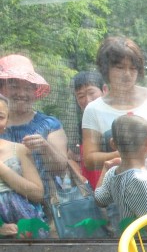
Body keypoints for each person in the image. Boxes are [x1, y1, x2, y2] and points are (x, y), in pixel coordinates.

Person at [82, 36, 147, 208]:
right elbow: (89, 159)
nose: (127, 74)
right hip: (120, 195)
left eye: (133, 68)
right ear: (106, 69)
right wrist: (128, 153)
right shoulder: (94, 109)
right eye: (120, 67)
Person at [0, 54, 70, 196]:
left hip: (44, 207)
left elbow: (61, 169)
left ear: (34, 92)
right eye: (14, 86)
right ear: (2, 89)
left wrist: (45, 147)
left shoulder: (49, 125)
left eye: (28, 88)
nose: (22, 93)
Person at [94, 114, 147, 228]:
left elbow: (100, 199)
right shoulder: (141, 181)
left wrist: (106, 167)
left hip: (131, 242)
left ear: (113, 143)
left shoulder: (113, 173)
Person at [0, 94, 48, 238]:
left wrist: (2, 169)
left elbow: (37, 194)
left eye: (0, 117)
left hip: (25, 230)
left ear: (6, 122)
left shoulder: (19, 149)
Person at [72, 70, 105, 189]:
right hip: (93, 191)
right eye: (80, 96)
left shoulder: (116, 120)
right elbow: (69, 156)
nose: (87, 100)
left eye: (91, 92)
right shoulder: (81, 127)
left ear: (104, 91)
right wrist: (81, 177)